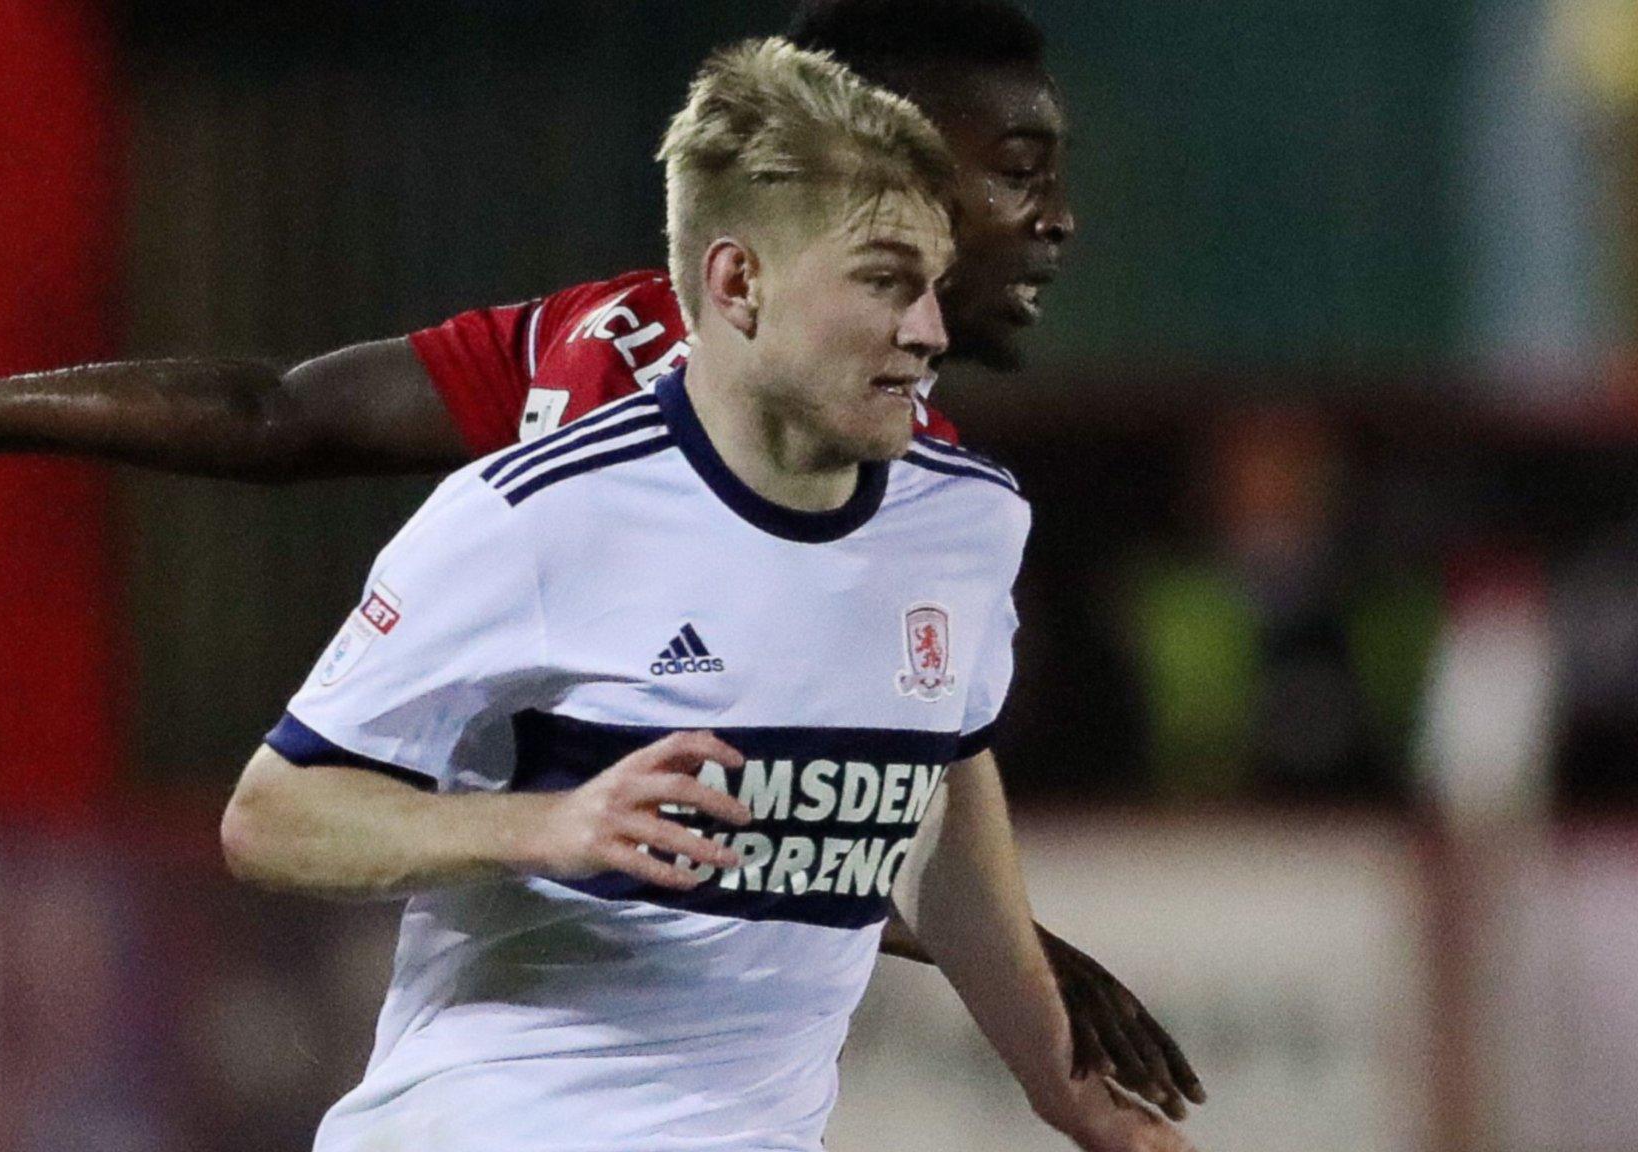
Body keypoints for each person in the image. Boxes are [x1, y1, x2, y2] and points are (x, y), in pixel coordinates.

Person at [0, 0, 1202, 1118]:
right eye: (1014, 168)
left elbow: (889, 740)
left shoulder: (935, 490)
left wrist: (1003, 970)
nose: (1054, 218)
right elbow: (285, 419)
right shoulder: (613, 394)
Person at [222, 40, 1186, 1151]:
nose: (926, 329)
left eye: (929, 284)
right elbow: (272, 819)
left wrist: (1068, 1094)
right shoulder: (533, 516)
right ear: (738, 284)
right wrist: (547, 823)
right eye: (880, 281)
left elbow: (944, 820)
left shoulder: (965, 523)